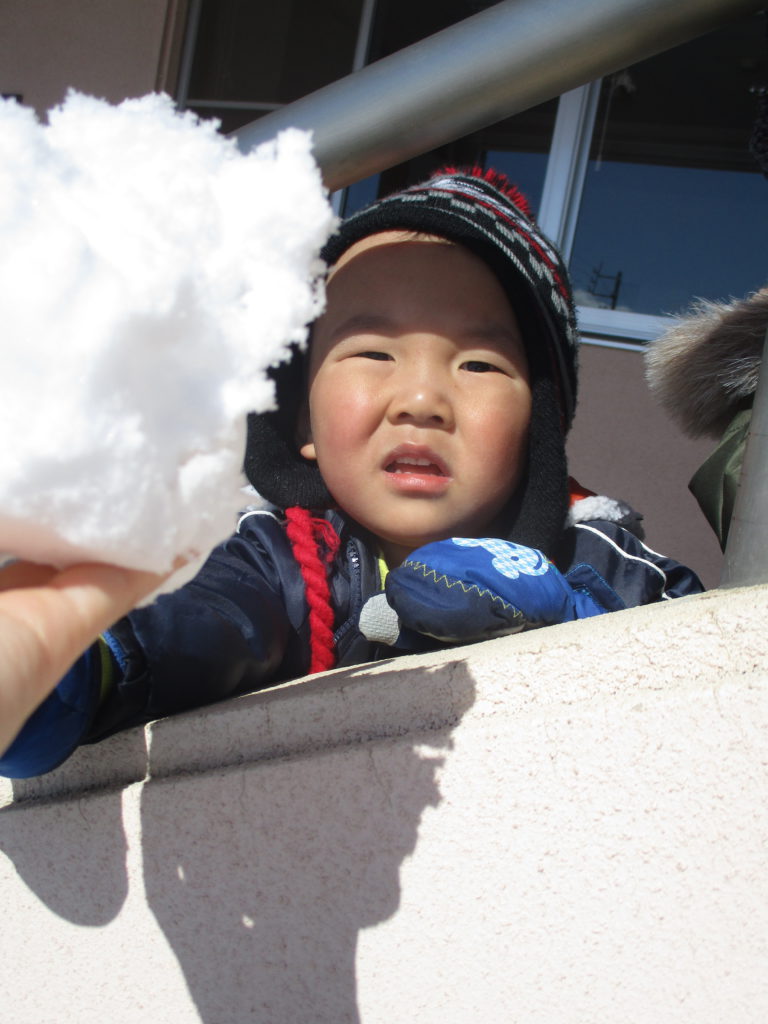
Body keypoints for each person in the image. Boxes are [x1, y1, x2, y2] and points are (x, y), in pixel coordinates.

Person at [0, 166, 703, 778]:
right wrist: (64, 657)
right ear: (302, 423)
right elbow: (205, 618)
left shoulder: (598, 557)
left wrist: (577, 622)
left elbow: (712, 666)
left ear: (537, 429)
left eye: (478, 363)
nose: (422, 399)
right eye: (373, 353)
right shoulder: (278, 559)